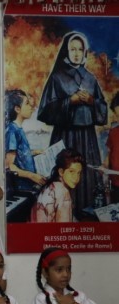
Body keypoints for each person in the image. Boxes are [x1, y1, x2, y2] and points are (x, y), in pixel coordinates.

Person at [38, 31, 108, 212]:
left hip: (87, 138)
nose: (76, 53)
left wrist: (92, 101)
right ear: (66, 51)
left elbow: (102, 110)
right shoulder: (57, 77)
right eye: (72, 49)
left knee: (87, 177)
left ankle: (85, 214)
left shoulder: (90, 78)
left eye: (80, 49)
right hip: (65, 136)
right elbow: (45, 110)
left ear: (84, 52)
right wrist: (70, 101)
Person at [4, 90, 45, 192]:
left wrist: (34, 152)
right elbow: (9, 165)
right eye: (27, 103)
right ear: (17, 109)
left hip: (27, 186)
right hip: (21, 188)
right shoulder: (12, 130)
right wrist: (32, 176)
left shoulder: (18, 129)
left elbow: (19, 154)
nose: (31, 106)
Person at [31, 149, 85, 223]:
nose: (76, 178)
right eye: (71, 171)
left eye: (78, 173)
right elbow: (64, 227)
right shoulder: (63, 192)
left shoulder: (52, 185)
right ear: (61, 172)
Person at [103, 92, 119, 203]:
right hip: (115, 185)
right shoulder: (113, 132)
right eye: (118, 116)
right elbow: (109, 155)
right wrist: (104, 166)